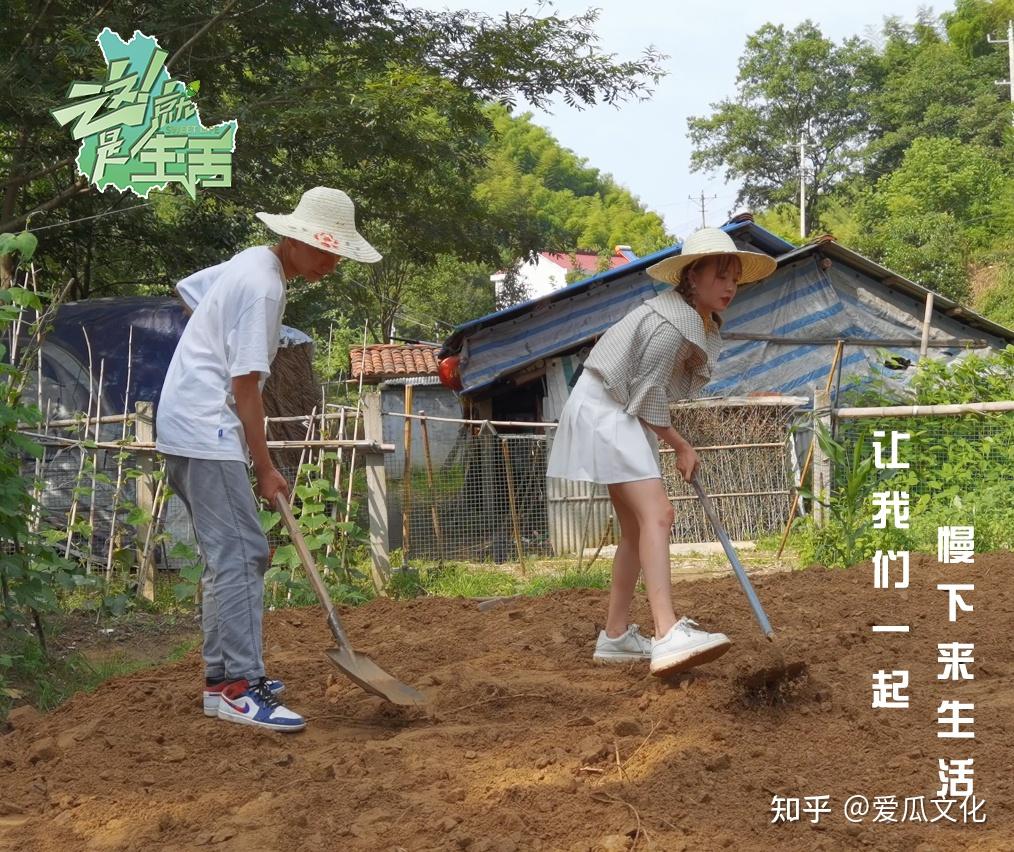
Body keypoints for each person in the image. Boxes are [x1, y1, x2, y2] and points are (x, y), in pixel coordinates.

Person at [156, 187, 382, 731]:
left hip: (185, 422)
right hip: (206, 427)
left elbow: (192, 290)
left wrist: (211, 336)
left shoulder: (251, 264)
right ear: (294, 239)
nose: (331, 263)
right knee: (243, 553)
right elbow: (246, 385)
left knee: (229, 554)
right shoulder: (261, 286)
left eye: (338, 254)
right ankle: (240, 687)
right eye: (324, 250)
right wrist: (264, 466)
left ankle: (220, 682)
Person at [546, 227, 776, 676]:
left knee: (635, 528)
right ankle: (668, 632)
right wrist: (681, 445)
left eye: (735, 278)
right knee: (658, 516)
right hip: (608, 410)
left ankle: (615, 636)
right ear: (692, 276)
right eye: (720, 276)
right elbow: (646, 392)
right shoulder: (671, 324)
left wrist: (672, 442)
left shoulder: (684, 317)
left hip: (609, 408)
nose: (730, 286)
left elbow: (644, 395)